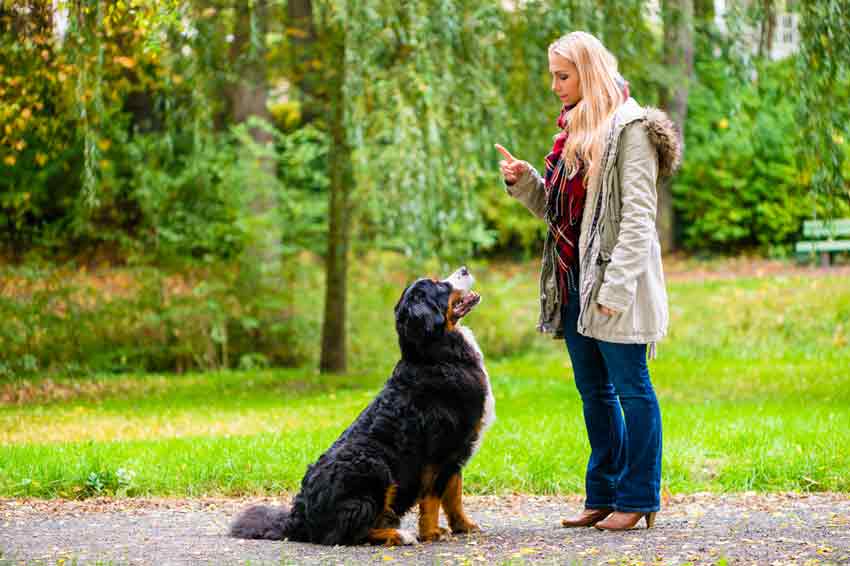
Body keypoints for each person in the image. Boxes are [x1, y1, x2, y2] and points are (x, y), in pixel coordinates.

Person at [496, 31, 681, 531]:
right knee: (594, 392)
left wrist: (615, 291)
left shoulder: (631, 129)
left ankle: (640, 496)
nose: (555, 85)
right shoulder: (572, 131)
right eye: (553, 75)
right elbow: (562, 215)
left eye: (563, 75)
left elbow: (640, 219)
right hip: (573, 280)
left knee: (631, 387)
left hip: (615, 285)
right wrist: (525, 183)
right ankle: (603, 494)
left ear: (589, 71)